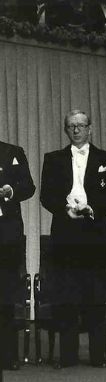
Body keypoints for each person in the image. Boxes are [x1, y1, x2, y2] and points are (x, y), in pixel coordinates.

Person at [40, 110, 106, 368]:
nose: (76, 130)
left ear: (90, 128)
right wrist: (64, 209)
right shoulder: (53, 159)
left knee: (96, 293)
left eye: (80, 125)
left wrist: (91, 208)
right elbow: (46, 195)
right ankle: (68, 356)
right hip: (65, 231)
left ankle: (98, 355)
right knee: (66, 293)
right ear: (66, 130)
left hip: (96, 230)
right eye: (71, 126)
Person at [0, 136, 34, 369]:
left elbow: (29, 187)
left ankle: (7, 355)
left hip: (6, 236)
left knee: (6, 296)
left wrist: (12, 190)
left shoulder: (12, 151)